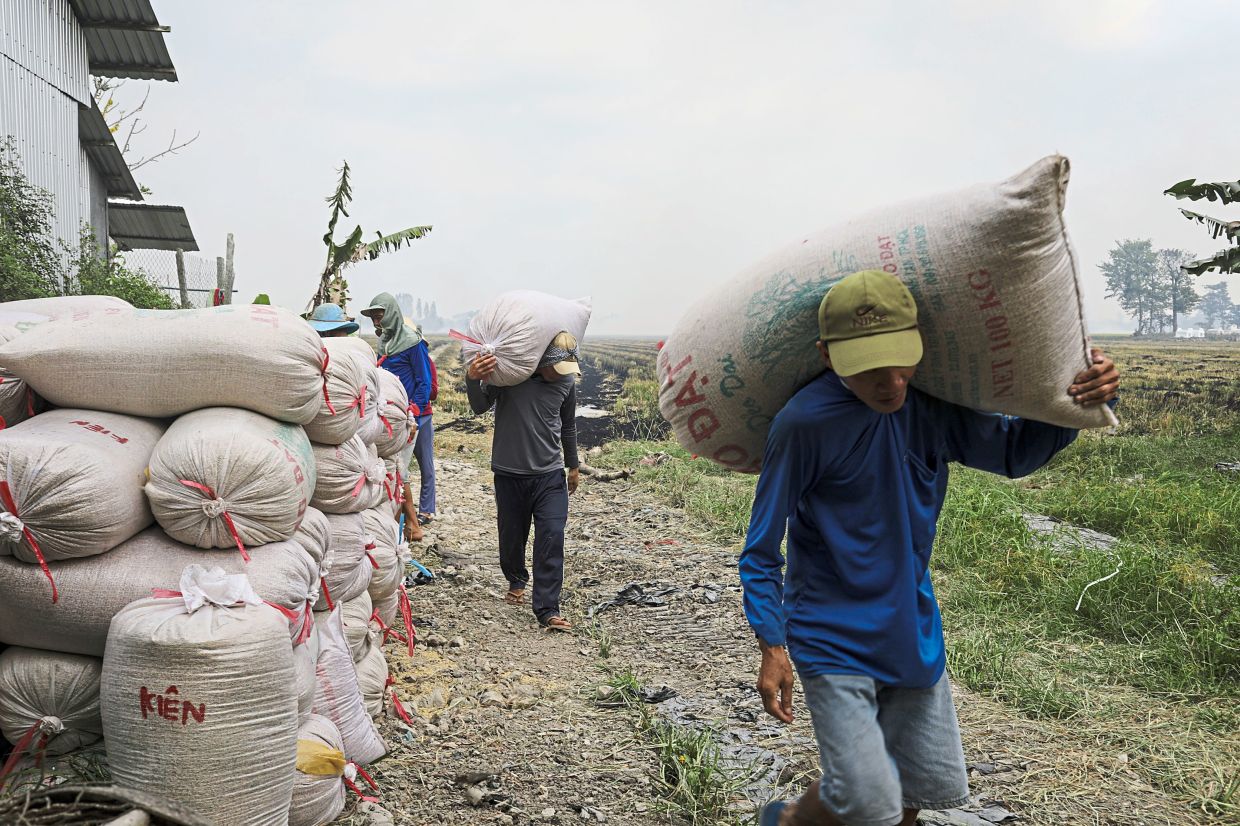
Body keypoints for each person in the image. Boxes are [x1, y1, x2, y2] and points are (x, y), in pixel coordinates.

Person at [747, 271, 1120, 826]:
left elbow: (1014, 453)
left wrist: (1081, 396)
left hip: (910, 626)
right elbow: (760, 549)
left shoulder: (930, 407)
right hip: (830, 631)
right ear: (828, 357)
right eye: (870, 366)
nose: (891, 381)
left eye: (902, 360)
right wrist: (772, 644)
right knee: (870, 799)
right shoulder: (805, 424)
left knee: (916, 793)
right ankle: (784, 820)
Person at [465, 331, 582, 631]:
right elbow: (479, 406)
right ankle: (516, 578)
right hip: (510, 473)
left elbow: (567, 427)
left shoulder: (566, 383)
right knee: (512, 536)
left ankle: (547, 609)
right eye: (558, 367)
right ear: (543, 361)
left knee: (552, 536)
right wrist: (471, 378)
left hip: (550, 475)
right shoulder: (509, 376)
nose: (562, 374)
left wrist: (573, 465)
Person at [359, 293, 435, 543]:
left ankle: (408, 527)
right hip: (387, 415)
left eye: (380, 316)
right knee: (392, 468)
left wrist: (412, 410)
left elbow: (424, 382)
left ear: (391, 313)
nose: (377, 322)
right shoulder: (386, 344)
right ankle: (404, 525)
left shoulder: (413, 343)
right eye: (374, 318)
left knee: (399, 470)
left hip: (409, 418)